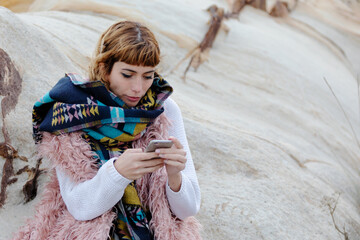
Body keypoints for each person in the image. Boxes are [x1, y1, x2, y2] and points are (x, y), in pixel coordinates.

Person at [12, 21, 201, 240]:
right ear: (105, 68)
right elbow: (79, 206)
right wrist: (118, 173)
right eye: (128, 75)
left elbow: (188, 210)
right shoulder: (71, 114)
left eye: (148, 76)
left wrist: (175, 176)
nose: (138, 88)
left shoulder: (163, 109)